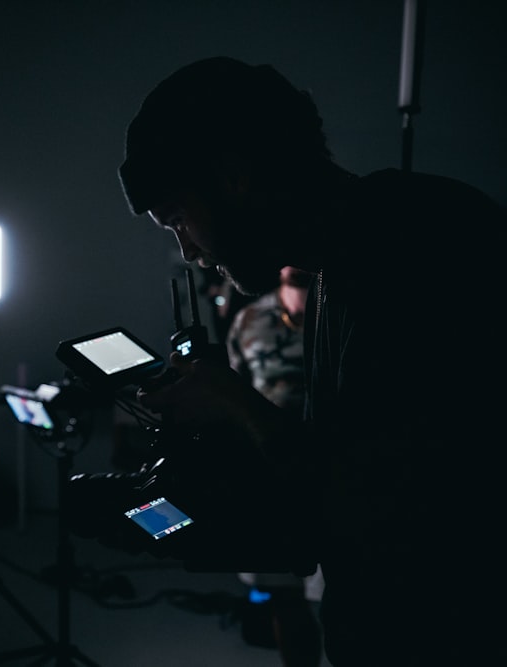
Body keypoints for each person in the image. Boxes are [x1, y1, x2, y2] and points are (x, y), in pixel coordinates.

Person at [110, 57, 507, 665]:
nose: (187, 250)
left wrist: (234, 402)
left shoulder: (419, 246)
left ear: (233, 177)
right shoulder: (336, 267)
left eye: (179, 220)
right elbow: (335, 476)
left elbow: (386, 513)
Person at [226, 266, 323, 666]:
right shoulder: (250, 320)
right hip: (271, 476)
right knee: (283, 595)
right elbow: (236, 392)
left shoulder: (342, 310)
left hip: (335, 475)